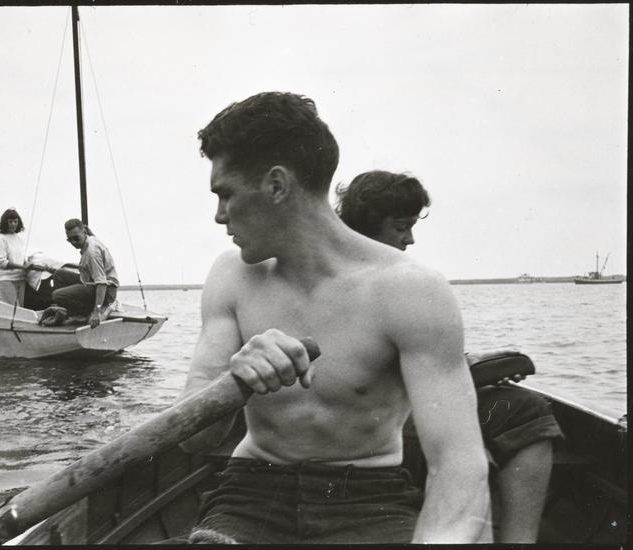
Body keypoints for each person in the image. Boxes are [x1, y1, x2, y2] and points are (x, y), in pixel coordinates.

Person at [178, 92, 491, 544]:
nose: (218, 215)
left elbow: (458, 464)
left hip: (367, 497)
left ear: (277, 185)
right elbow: (193, 440)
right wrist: (233, 381)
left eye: (226, 194)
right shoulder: (231, 276)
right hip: (251, 492)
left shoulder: (411, 290)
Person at [335, 170, 564, 543]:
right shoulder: (364, 281)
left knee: (521, 407)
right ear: (366, 227)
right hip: (372, 423)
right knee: (507, 421)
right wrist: (472, 370)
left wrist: (472, 363)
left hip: (399, 408)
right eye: (400, 227)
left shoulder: (381, 277)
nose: (409, 239)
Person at [45, 218, 119, 328]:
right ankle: (69, 312)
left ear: (84, 233)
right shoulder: (91, 238)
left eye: (76, 238)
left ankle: (85, 313)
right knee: (59, 275)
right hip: (91, 282)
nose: (73, 242)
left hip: (106, 291)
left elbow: (101, 283)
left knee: (57, 295)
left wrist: (96, 312)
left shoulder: (92, 253)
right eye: (70, 239)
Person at [0, 208, 30, 306]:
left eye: (15, 221)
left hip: (20, 279)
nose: (13, 224)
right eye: (10, 221)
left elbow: (22, 259)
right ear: (5, 222)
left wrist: (27, 264)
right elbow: (1, 263)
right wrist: (22, 267)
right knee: (14, 311)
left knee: (21, 311)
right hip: (6, 280)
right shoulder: (0, 240)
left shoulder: (19, 239)